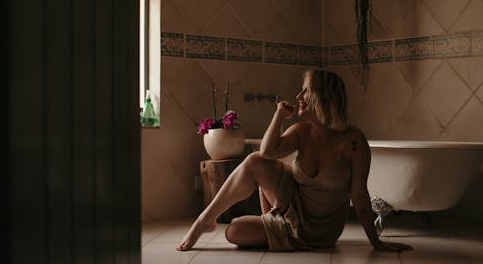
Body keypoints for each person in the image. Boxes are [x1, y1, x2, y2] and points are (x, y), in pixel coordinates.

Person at [177, 69, 412, 252]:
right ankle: (204, 221)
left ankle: (274, 227)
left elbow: (360, 196)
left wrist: (376, 242)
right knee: (255, 161)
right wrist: (279, 115)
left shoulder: (353, 142)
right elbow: (267, 152)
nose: (299, 96)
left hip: (318, 230)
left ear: (322, 97)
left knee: (234, 231)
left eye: (306, 91)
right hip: (293, 203)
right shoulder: (303, 130)